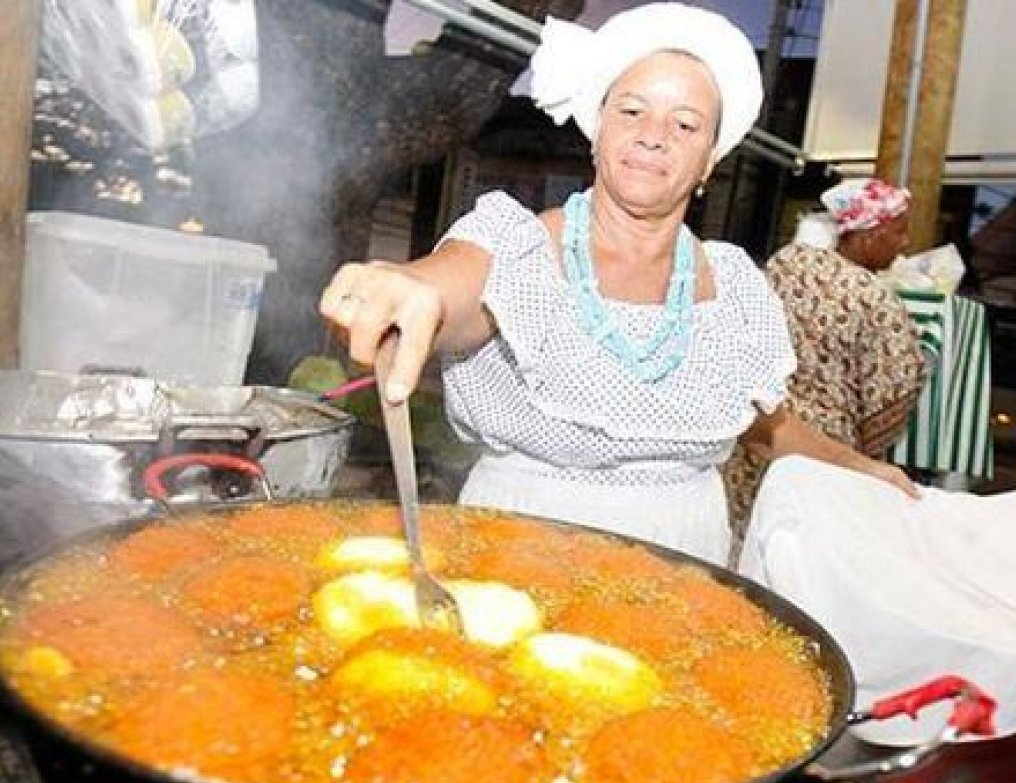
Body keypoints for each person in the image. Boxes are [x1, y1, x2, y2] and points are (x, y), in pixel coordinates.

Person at [319, 3, 916, 567]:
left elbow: (762, 424)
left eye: (686, 123)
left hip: (686, 562)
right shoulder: (520, 243)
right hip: (520, 544)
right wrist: (410, 285)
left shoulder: (733, 285)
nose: (654, 133)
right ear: (598, 127)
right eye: (631, 110)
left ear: (710, 159)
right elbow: (458, 282)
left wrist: (854, 465)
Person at [724, 178, 929, 540]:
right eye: (898, 231)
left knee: (741, 548)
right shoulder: (873, 298)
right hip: (825, 456)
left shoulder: (785, 263)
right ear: (869, 233)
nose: (904, 243)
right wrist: (862, 447)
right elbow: (898, 389)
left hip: (758, 436)